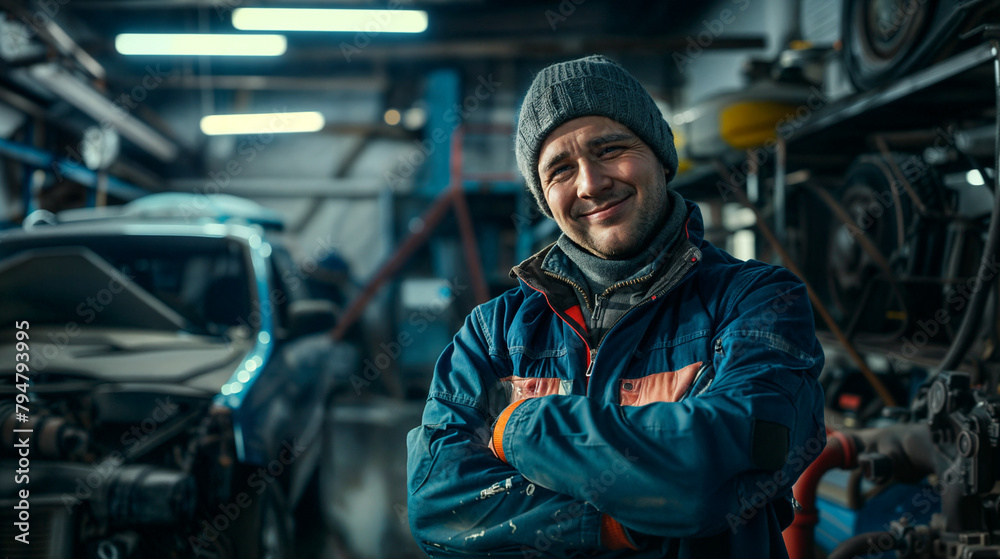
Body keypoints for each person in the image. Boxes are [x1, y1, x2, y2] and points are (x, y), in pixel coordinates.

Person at [406, 55, 826, 558]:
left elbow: (722, 465)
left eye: (610, 149)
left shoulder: (756, 301)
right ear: (544, 196)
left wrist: (517, 428)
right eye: (560, 169)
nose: (590, 183)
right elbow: (438, 506)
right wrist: (612, 526)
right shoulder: (492, 333)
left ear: (659, 155)